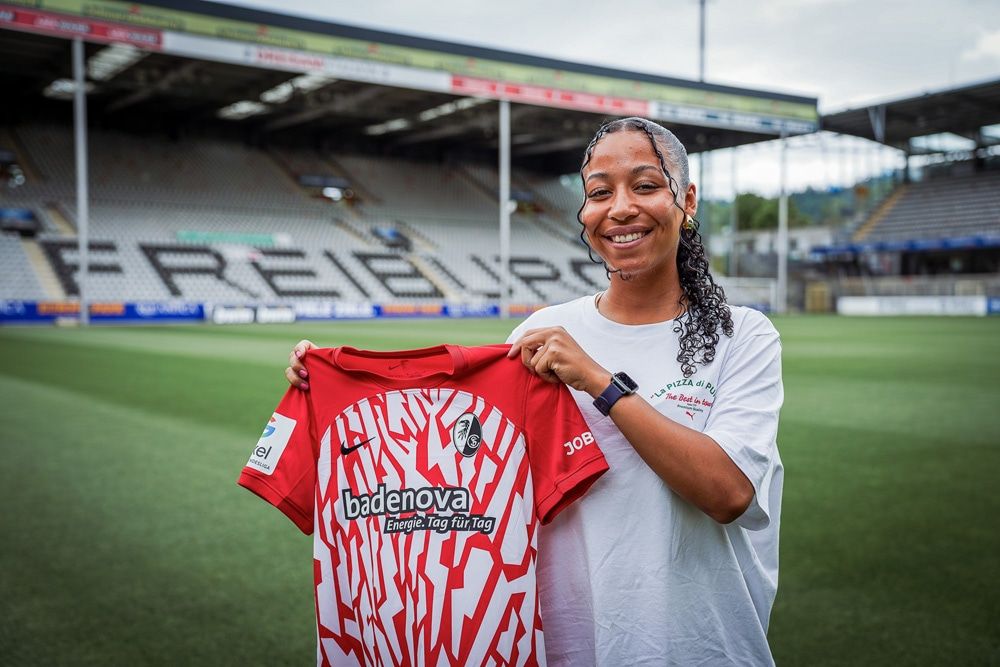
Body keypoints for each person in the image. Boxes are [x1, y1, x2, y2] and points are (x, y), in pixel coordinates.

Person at [285, 117, 783, 666]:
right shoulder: (540, 331)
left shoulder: (743, 335)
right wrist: (333, 384)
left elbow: (727, 493)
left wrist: (599, 382)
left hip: (698, 646)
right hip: (566, 646)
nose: (620, 209)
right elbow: (458, 463)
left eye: (645, 185)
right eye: (599, 193)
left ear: (686, 200)